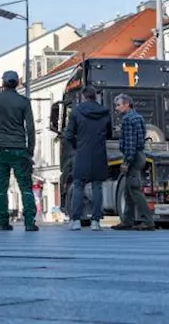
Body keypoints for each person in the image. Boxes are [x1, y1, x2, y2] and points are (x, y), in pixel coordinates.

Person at [0, 70, 38, 232]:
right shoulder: (24, 102)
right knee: (25, 186)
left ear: (3, 83)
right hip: (20, 149)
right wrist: (30, 150)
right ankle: (29, 222)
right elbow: (31, 128)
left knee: (1, 187)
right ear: (17, 83)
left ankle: (3, 222)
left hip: (1, 150)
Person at [64, 85, 113, 231]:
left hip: (82, 153)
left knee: (78, 185)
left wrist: (77, 145)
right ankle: (96, 221)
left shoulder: (76, 112)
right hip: (99, 153)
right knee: (97, 186)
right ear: (96, 96)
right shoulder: (105, 113)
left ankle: (76, 220)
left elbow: (68, 135)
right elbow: (109, 134)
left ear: (83, 96)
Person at [112, 94, 154, 231]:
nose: (116, 108)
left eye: (118, 105)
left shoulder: (127, 120)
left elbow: (130, 144)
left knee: (134, 189)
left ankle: (148, 221)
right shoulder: (139, 117)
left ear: (127, 105)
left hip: (133, 157)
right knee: (128, 190)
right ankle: (127, 220)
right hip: (140, 155)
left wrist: (126, 162)